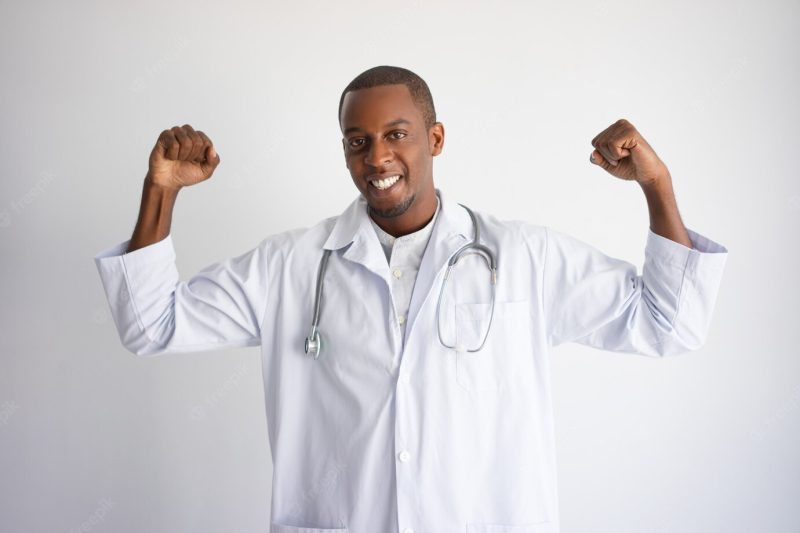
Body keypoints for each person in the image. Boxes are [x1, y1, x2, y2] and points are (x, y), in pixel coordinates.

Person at [94, 65, 729, 533]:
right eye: (357, 141)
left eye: (397, 134)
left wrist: (656, 184)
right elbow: (151, 324)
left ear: (436, 138)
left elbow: (668, 324)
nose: (378, 157)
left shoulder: (525, 258)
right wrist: (162, 190)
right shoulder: (290, 266)